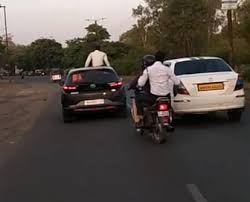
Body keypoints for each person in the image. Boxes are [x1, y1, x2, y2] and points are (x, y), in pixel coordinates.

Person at [137, 51, 180, 119]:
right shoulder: (167, 69)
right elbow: (177, 82)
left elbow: (141, 83)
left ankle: (140, 118)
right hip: (166, 96)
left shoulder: (148, 69)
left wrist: (139, 85)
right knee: (169, 108)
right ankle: (170, 117)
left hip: (154, 96)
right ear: (163, 59)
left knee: (139, 99)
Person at [128, 55, 155, 125]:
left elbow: (138, 83)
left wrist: (133, 86)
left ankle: (139, 118)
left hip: (148, 96)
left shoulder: (145, 72)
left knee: (137, 99)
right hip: (160, 95)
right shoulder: (160, 71)